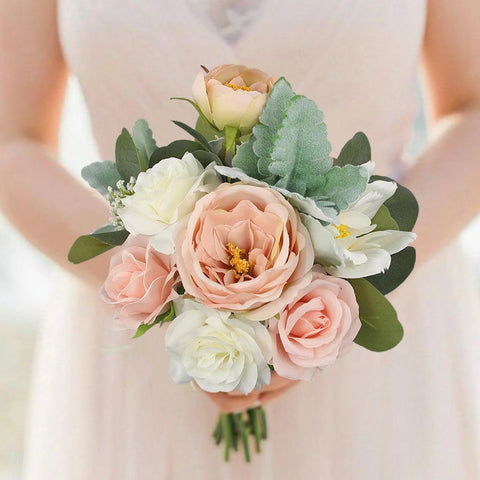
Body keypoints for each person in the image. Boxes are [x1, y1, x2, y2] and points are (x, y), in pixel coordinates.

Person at [1, 0, 480, 478]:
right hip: (139, 345)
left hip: (366, 343)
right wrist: (171, 292)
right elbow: (13, 141)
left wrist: (328, 293)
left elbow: (472, 108)